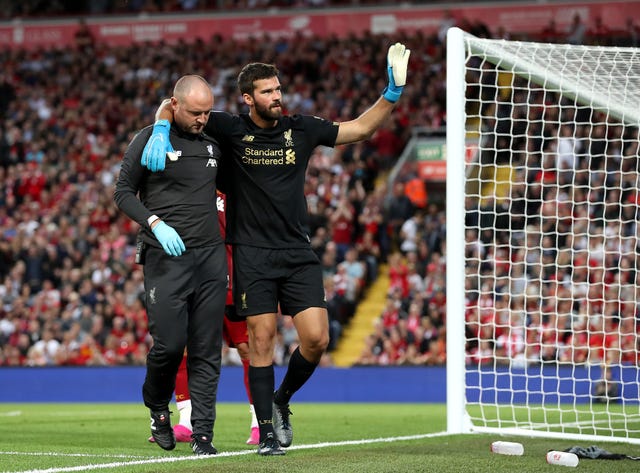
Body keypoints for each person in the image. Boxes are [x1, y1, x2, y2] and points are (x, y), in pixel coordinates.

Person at [140, 43, 410, 456]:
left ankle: (281, 398)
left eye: (278, 88)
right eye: (267, 91)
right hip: (250, 253)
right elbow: (175, 105)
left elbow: (358, 129)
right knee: (260, 342)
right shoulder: (228, 128)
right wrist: (160, 126)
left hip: (296, 251)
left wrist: (390, 95)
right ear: (248, 98)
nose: (277, 96)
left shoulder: (301, 128)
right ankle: (267, 434)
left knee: (317, 340)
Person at [114, 74, 227, 456]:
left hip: (210, 257)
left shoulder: (214, 141)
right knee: (169, 345)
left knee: (207, 348)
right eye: (195, 112)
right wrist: (155, 223)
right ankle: (158, 409)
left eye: (208, 112)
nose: (202, 119)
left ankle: (203, 435)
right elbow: (122, 192)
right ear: (175, 105)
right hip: (166, 256)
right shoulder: (150, 138)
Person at [148, 191, 259, 446]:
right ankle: (186, 422)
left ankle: (259, 421)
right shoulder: (191, 183)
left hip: (234, 277)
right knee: (182, 347)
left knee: (247, 349)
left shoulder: (237, 186)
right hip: (193, 277)